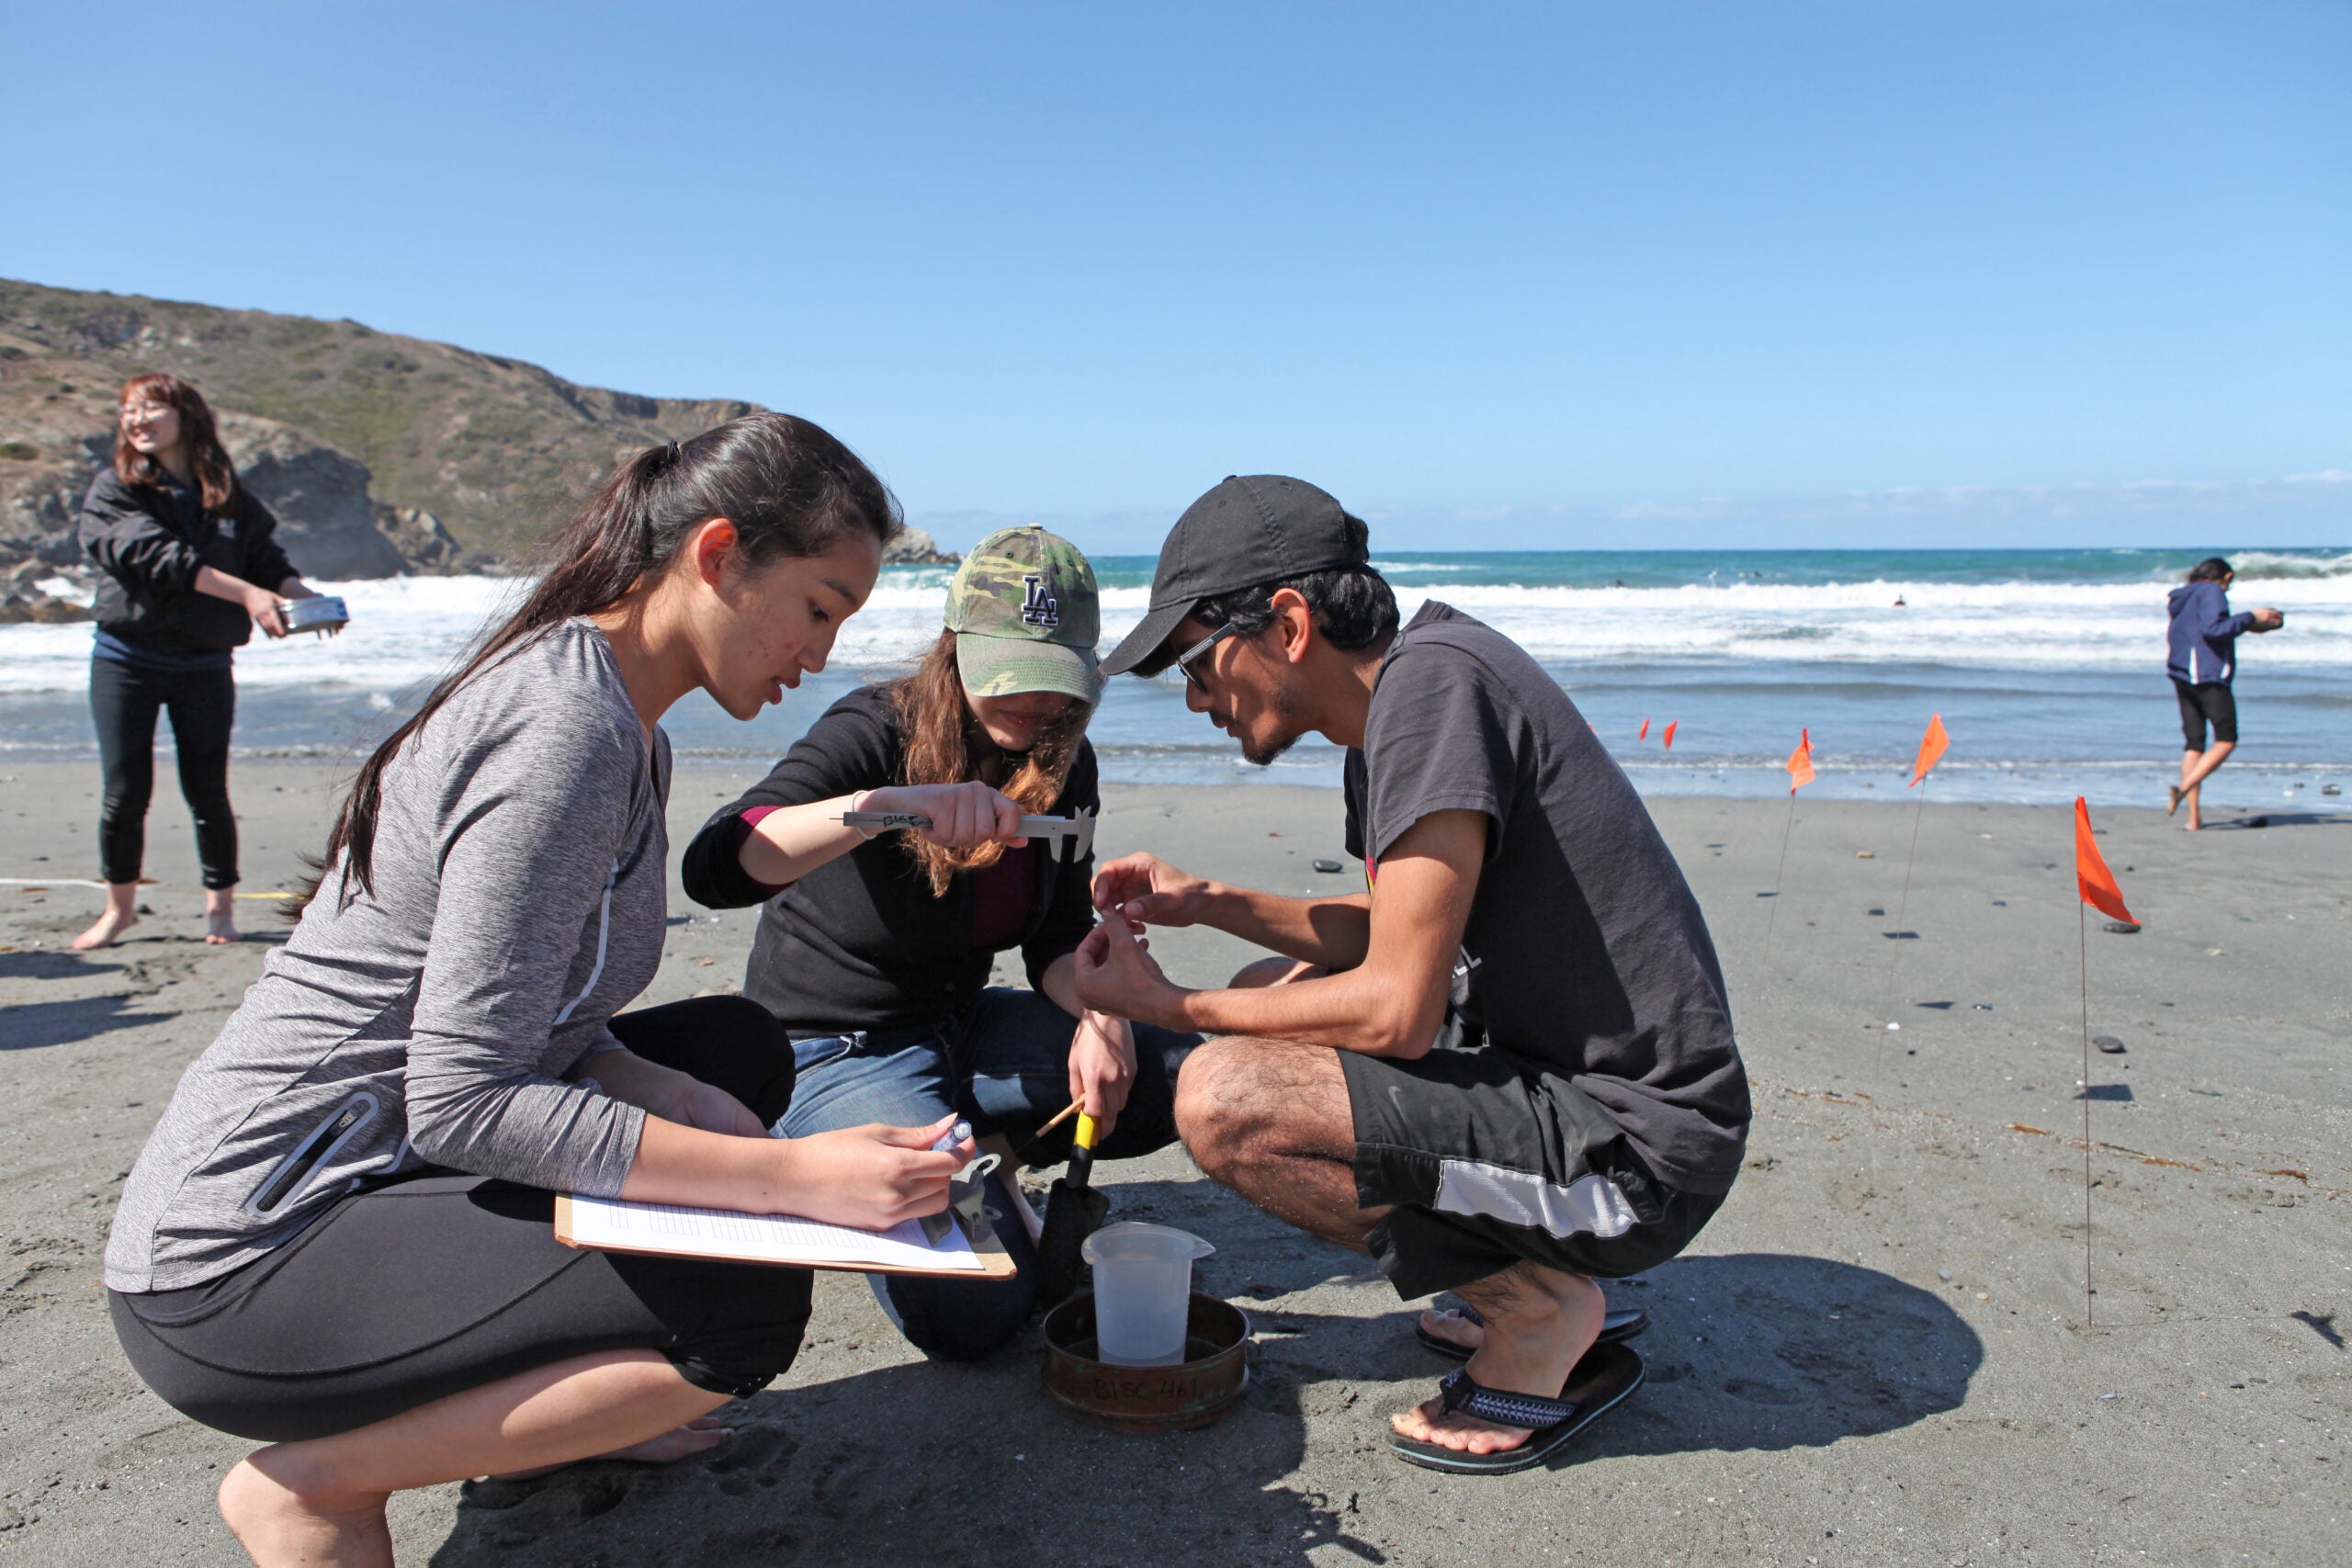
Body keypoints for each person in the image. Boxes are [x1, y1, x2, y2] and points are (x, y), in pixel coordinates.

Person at [104, 413, 982, 1568]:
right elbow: (463, 1101)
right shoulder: (563, 731)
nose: (821, 653)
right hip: (241, 1255)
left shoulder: (624, 718)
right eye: (820, 607)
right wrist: (792, 1177)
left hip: (382, 1164)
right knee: (741, 1303)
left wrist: (699, 1113)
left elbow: (550, 1029)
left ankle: (544, 1429)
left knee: (734, 1052)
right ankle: (311, 1489)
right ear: (717, 555)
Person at [1071, 476, 1749, 1474]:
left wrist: (1167, 1009)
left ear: (1289, 624)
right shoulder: (1408, 700)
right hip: (1574, 1099)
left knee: (1222, 1096)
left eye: (1196, 662)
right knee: (1270, 986)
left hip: (1640, 1160)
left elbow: (1396, 1008)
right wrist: (1205, 896)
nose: (1195, 697)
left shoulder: (1433, 691)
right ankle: (1524, 1270)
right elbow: (1392, 935)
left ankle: (1540, 1305)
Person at [682, 525, 1197, 1361]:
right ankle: (843, 1158)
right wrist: (886, 806)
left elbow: (1059, 941)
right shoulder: (872, 730)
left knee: (1174, 1073)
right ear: (954, 647)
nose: (1032, 706)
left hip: (965, 1029)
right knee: (978, 1317)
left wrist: (1106, 1011)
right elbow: (719, 864)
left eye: (1053, 683)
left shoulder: (1065, 759)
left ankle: (966, 1151)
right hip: (834, 1050)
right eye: (1010, 677)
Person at [74, 373, 335, 949]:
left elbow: (265, 559)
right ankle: (119, 910)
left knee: (208, 790)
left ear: (186, 416)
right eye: (128, 410)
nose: (137, 419)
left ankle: (220, 909)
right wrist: (246, 595)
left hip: (205, 663)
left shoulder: (227, 496)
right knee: (125, 790)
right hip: (127, 658)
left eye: (152, 407)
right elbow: (155, 556)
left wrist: (303, 598)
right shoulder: (113, 490)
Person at [2165, 557, 2284, 830]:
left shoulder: (2183, 596)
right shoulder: (2213, 591)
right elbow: (2214, 630)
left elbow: (2202, 628)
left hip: (2180, 672)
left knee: (2194, 744)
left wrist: (2247, 625)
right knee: (2226, 740)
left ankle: (2193, 819)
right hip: (2207, 675)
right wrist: (2251, 617)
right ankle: (2182, 788)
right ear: (2227, 577)